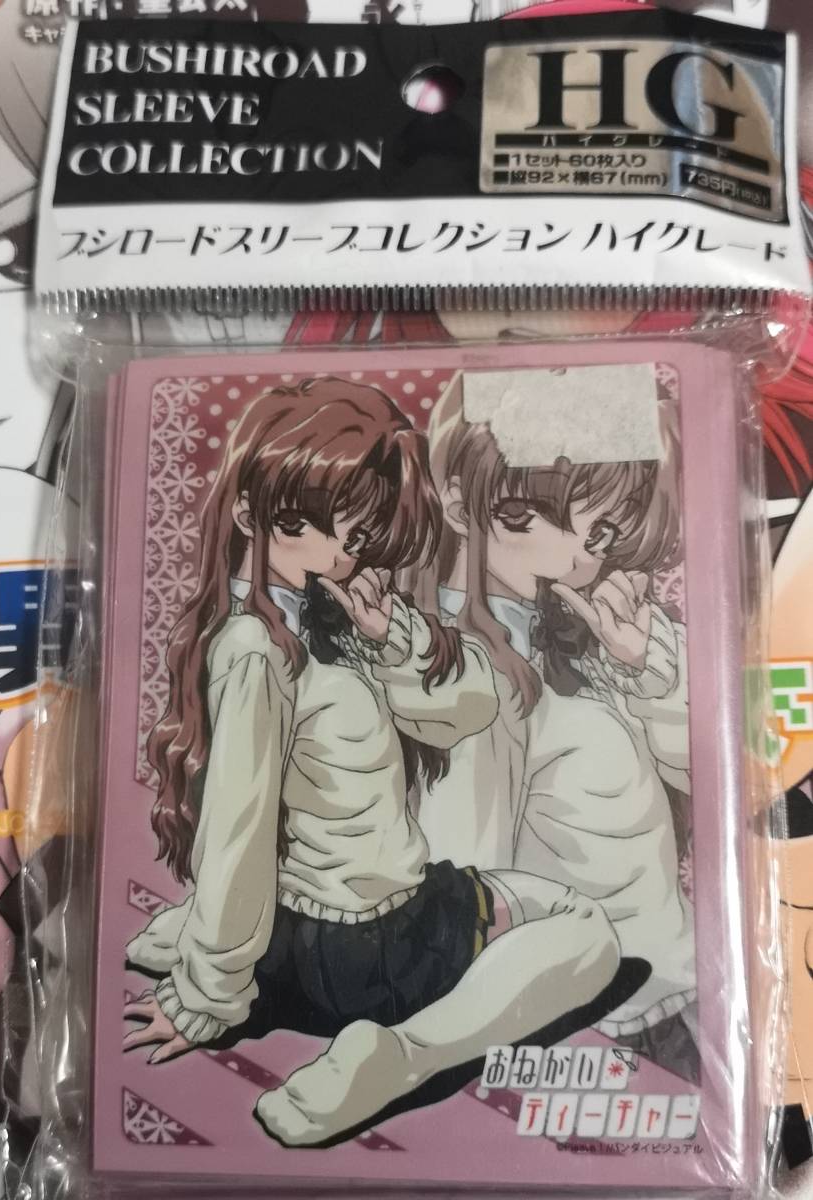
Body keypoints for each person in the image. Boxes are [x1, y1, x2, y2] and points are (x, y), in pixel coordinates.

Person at [123, 377, 620, 1146]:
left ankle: (208, 940)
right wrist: (208, 995)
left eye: (353, 537)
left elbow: (473, 708)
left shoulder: (329, 620)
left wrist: (395, 639)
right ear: (248, 510)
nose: (334, 553)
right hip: (375, 950)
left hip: (298, 936)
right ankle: (401, 1056)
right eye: (304, 524)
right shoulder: (258, 650)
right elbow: (237, 829)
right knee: (586, 931)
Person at [417, 368, 698, 1081]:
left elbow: (719, 779)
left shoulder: (585, 629)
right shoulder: (465, 669)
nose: (585, 551)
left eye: (601, 528)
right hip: (593, 1027)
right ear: (462, 504)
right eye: (544, 516)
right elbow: (462, 884)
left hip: (671, 993)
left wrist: (644, 668)